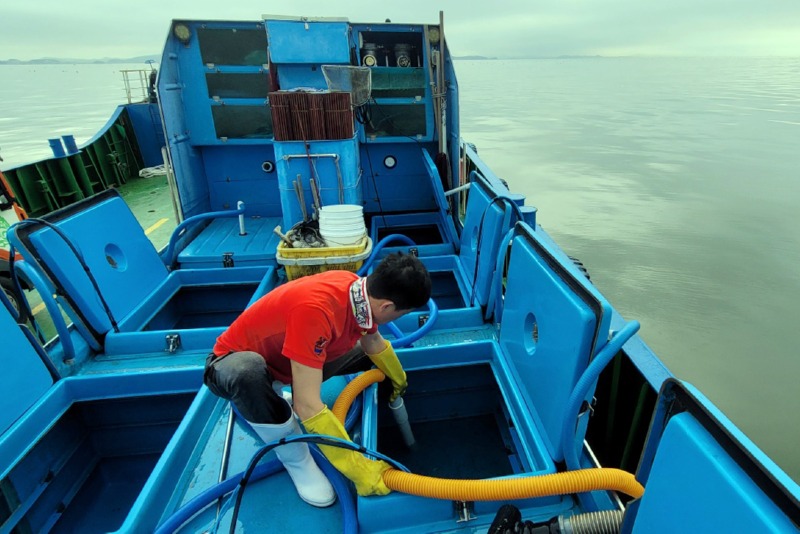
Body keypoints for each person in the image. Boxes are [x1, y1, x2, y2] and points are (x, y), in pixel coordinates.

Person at [204, 252, 432, 507]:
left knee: (363, 355)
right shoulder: (316, 309)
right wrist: (359, 468)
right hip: (229, 364)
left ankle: (275, 396)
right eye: (400, 315)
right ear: (387, 307)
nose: (396, 320)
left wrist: (398, 377)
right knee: (247, 373)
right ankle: (296, 459)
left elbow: (373, 342)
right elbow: (308, 406)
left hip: (283, 362)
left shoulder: (358, 292)